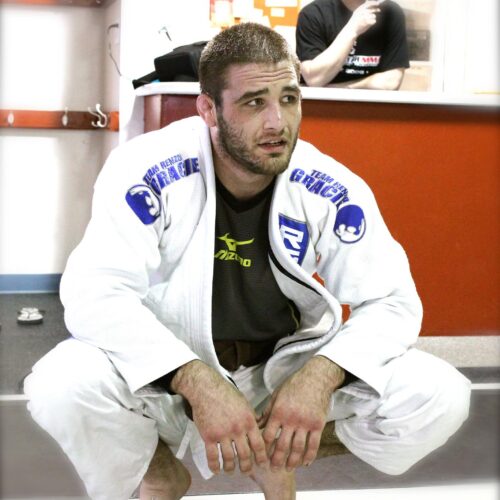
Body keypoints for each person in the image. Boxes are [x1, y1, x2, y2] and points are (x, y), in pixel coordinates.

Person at [24, 22, 470, 500]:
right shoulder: (146, 169)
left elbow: (392, 301)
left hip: (278, 375)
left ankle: (276, 452)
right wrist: (194, 380)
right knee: (61, 385)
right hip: (170, 375)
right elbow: (95, 293)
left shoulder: (329, 185)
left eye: (289, 98)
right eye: (254, 102)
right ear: (208, 109)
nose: (278, 122)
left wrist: (319, 378)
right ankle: (158, 472)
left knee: (438, 395)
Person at [296, 0, 409, 89]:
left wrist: (342, 88)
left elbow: (391, 81)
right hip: (320, 108)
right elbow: (314, 79)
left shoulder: (391, 13)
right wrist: (352, 29)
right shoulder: (313, 13)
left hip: (372, 107)